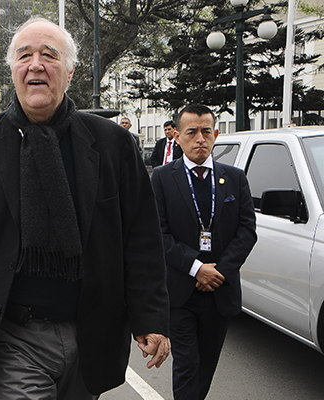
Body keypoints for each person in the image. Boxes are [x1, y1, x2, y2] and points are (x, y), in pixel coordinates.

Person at [0, 17, 170, 399]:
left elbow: (142, 238)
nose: (36, 65)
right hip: (13, 336)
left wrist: (151, 317)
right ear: (13, 70)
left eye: (49, 55)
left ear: (70, 72)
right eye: (24, 56)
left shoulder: (114, 144)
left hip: (92, 333)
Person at [150, 104, 257, 400]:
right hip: (181, 292)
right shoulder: (162, 178)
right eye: (192, 132)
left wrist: (219, 271)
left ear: (216, 135)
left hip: (220, 291)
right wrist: (197, 268)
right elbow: (158, 234)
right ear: (178, 137)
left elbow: (247, 231)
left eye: (206, 132)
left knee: (206, 367)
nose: (200, 139)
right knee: (187, 365)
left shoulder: (235, 178)